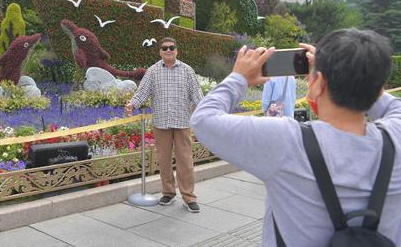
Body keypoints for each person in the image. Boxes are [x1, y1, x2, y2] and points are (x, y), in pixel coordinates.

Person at [191, 29, 401, 245]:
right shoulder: (395, 138)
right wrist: (361, 77)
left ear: (318, 83)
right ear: (378, 91)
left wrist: (239, 78)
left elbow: (203, 119)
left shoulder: (285, 141)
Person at [124, 37, 204, 212]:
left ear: (177, 51)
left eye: (172, 47)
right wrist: (132, 104)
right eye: (164, 48)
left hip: (182, 122)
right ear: (160, 51)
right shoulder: (153, 71)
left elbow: (197, 94)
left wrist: (206, 110)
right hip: (161, 124)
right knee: (164, 159)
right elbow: (142, 92)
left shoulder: (187, 71)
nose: (168, 50)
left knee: (185, 160)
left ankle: (189, 197)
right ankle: (168, 192)